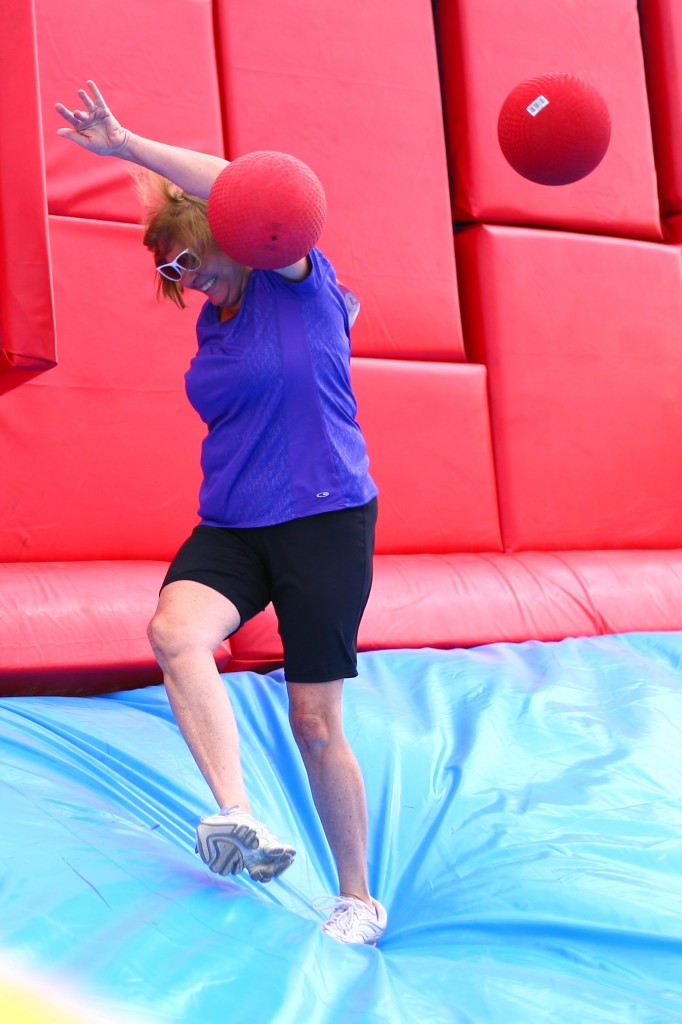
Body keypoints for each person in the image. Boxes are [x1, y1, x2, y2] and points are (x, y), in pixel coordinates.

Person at [55, 81, 387, 946]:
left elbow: (254, 188)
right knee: (173, 633)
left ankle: (358, 894)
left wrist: (127, 146)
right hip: (235, 522)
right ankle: (239, 820)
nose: (176, 277)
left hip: (324, 519)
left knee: (315, 723)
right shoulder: (216, 323)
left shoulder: (296, 287)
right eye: (164, 269)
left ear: (226, 236)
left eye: (183, 257)